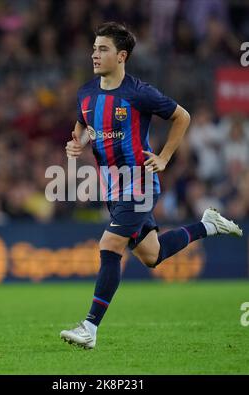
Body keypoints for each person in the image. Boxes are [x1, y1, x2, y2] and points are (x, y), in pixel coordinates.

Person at [60, 22, 243, 349]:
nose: (94, 55)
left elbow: (182, 116)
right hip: (112, 189)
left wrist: (164, 156)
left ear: (122, 55)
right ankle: (207, 225)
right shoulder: (86, 92)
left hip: (139, 183)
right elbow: (83, 124)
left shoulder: (139, 92)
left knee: (109, 246)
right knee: (151, 255)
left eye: (103, 49)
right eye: (94, 48)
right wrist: (77, 142)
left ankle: (90, 327)